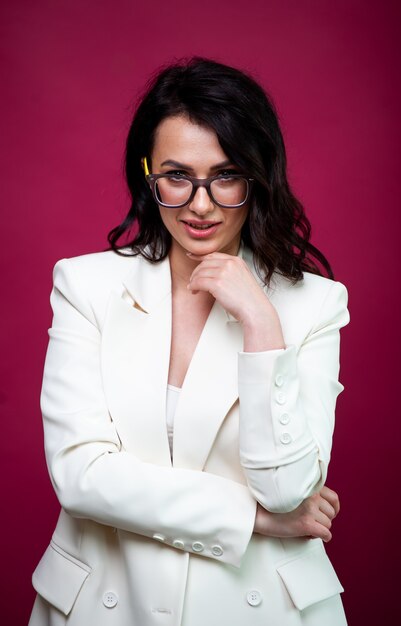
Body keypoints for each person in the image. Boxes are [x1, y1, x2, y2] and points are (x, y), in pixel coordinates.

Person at [29, 57, 350, 626]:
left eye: (225, 176)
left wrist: (262, 324)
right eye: (177, 176)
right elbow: (81, 476)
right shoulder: (86, 285)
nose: (200, 205)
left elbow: (286, 491)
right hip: (108, 599)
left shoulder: (315, 304)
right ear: (147, 174)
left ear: (257, 176)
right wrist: (249, 518)